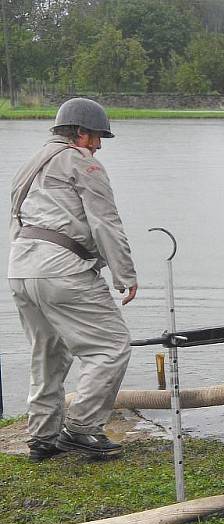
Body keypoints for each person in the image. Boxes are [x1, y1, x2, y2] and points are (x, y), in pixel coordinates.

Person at [8, 97, 137, 461]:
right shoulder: (82, 162)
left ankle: (42, 437)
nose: (98, 146)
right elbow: (105, 222)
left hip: (20, 268)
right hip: (62, 268)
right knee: (111, 345)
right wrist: (124, 274)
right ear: (80, 133)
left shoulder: (29, 164)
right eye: (96, 136)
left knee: (46, 353)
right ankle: (82, 428)